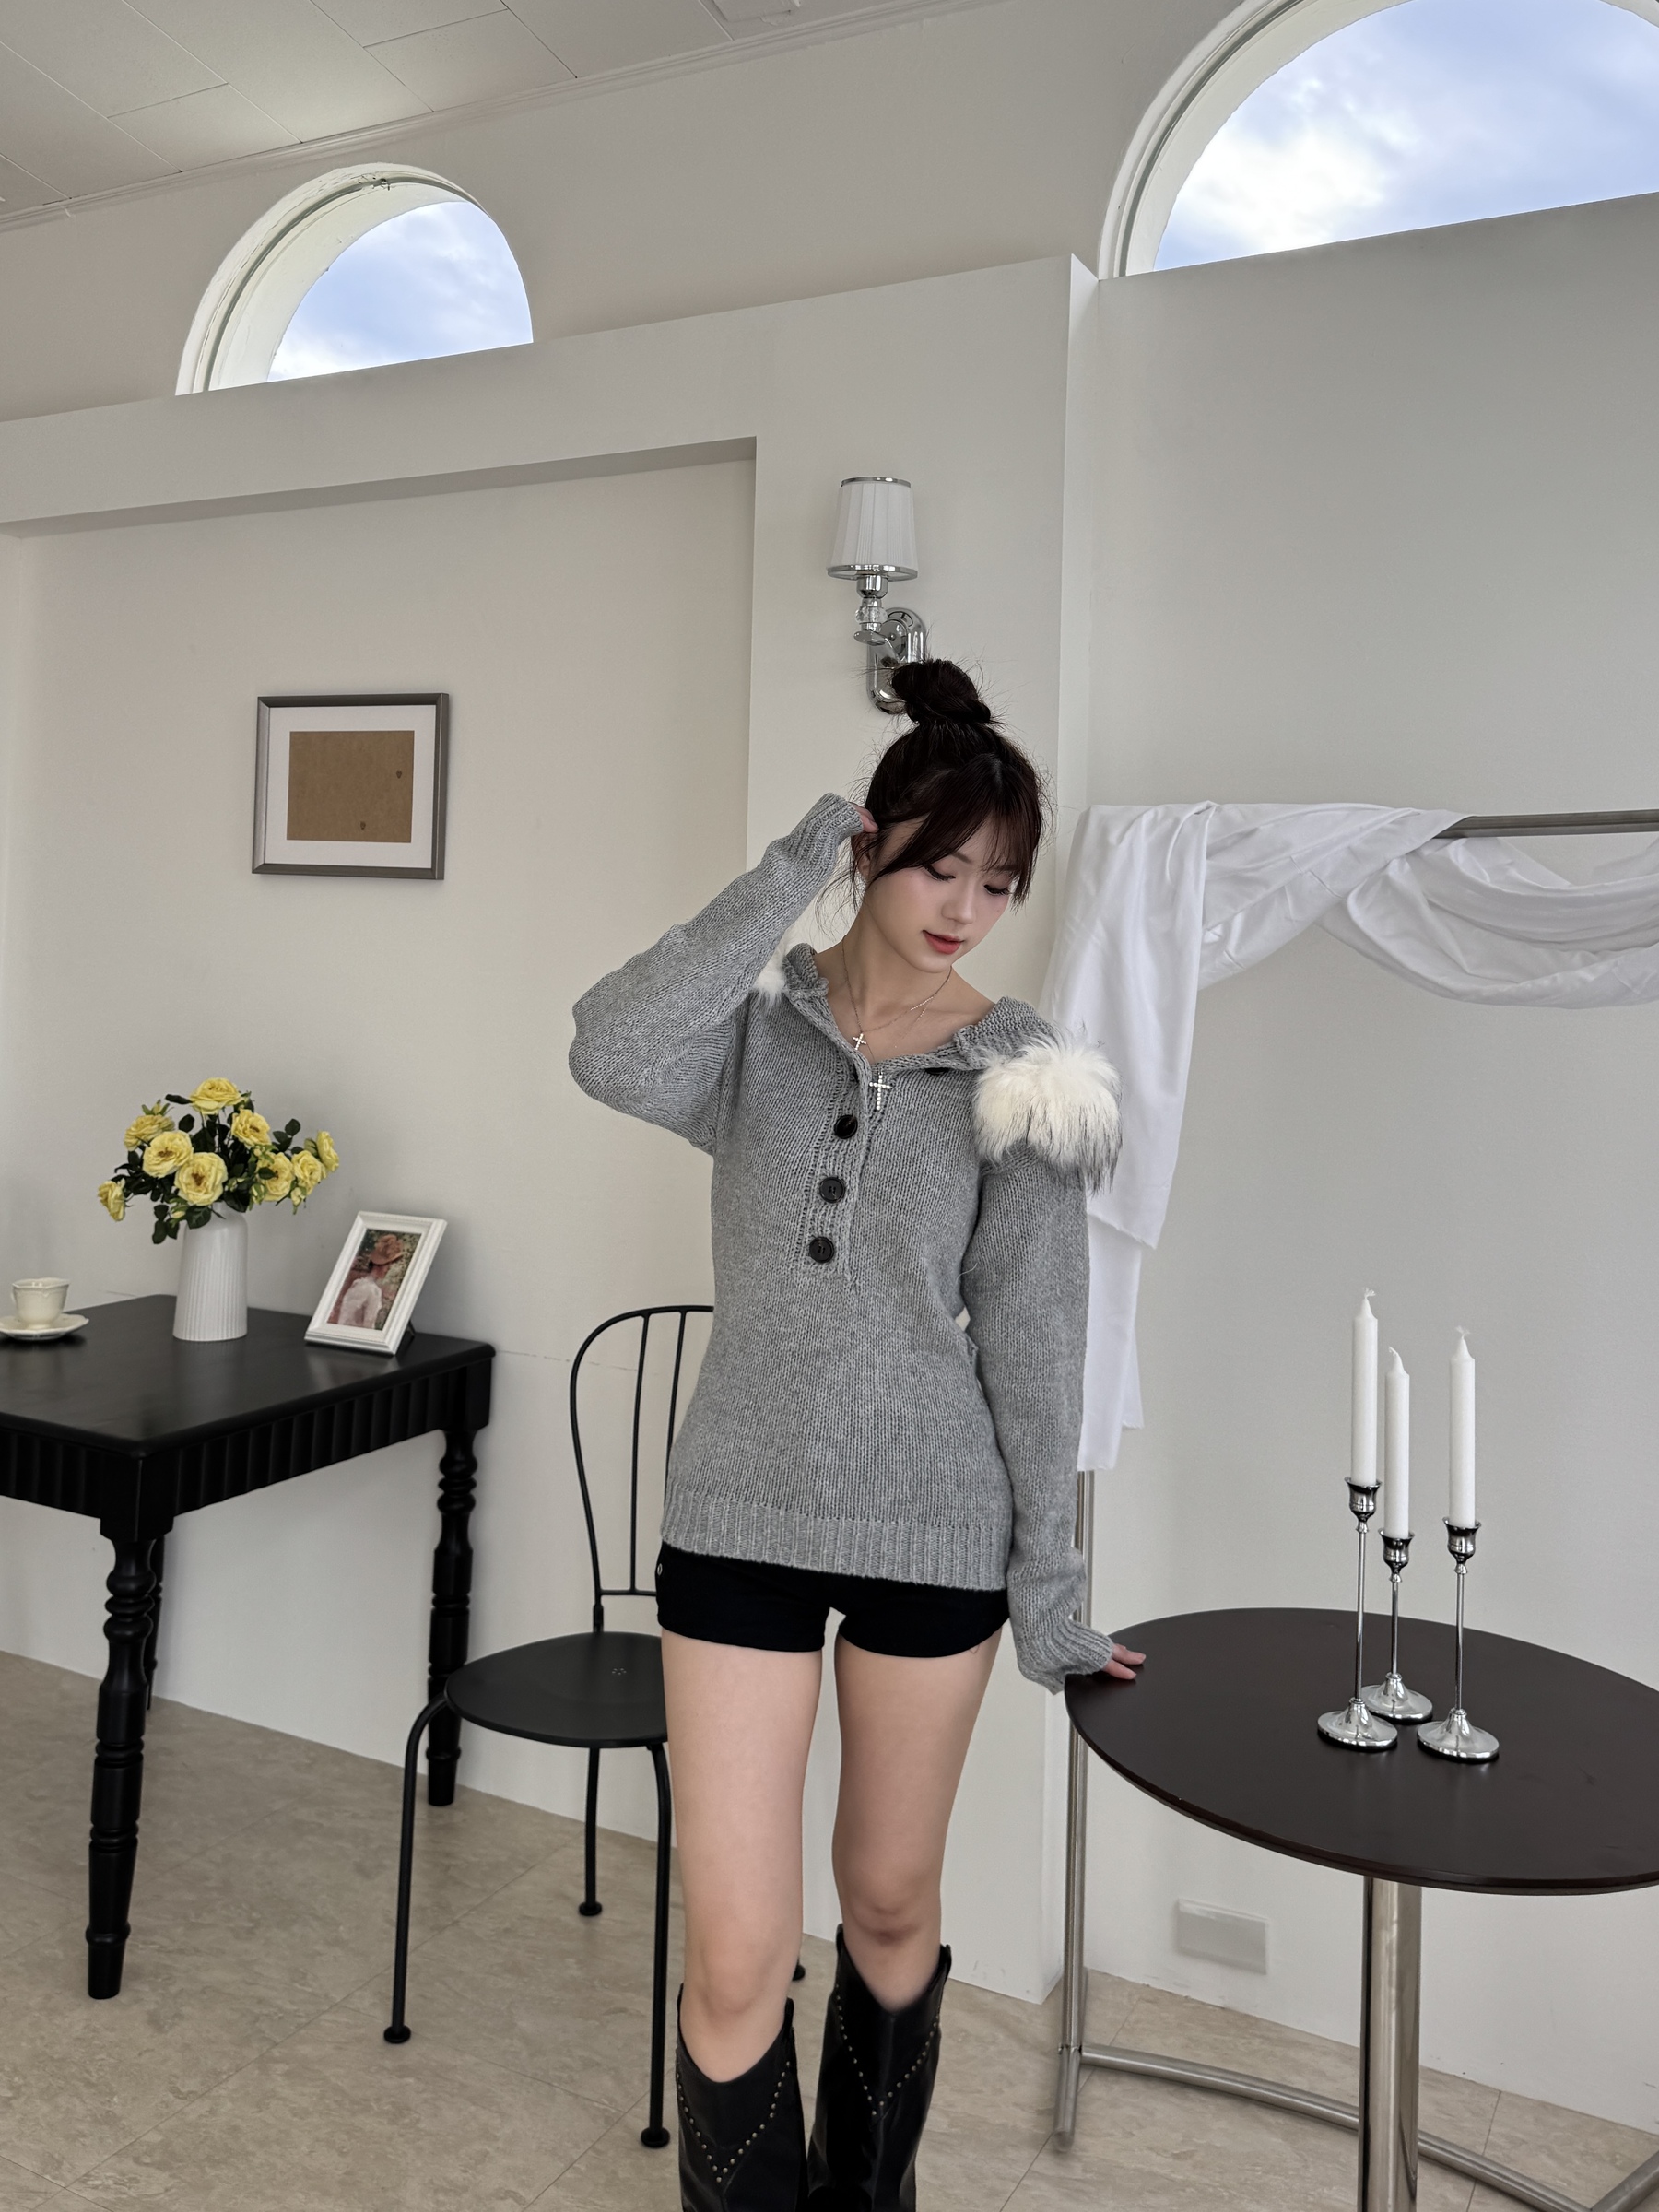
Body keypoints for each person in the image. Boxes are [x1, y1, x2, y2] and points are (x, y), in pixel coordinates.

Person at [570, 658, 1145, 2211]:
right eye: (940, 865)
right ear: (874, 845)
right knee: (736, 1948)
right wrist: (794, 868)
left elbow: (1037, 1343)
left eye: (999, 883)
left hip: (932, 1536)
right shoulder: (754, 1033)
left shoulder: (1024, 1070)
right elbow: (610, 1047)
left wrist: (1051, 1586)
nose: (968, 907)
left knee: (886, 1907)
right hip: (737, 1518)